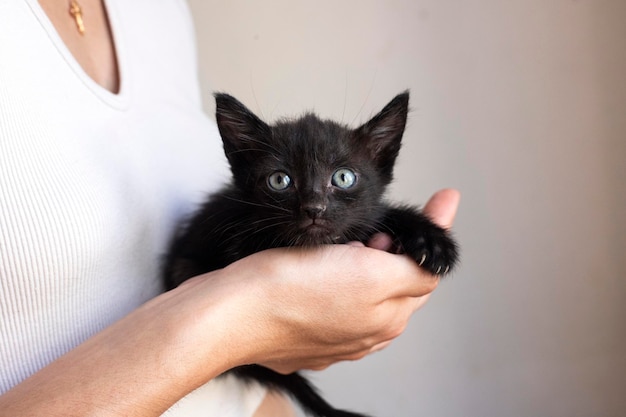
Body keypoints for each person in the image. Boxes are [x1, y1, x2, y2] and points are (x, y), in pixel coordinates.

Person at [0, 1, 460, 416]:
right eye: (281, 181)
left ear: (381, 159)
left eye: (342, 180)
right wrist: (251, 311)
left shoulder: (159, 13)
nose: (315, 204)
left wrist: (409, 231)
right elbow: (221, 294)